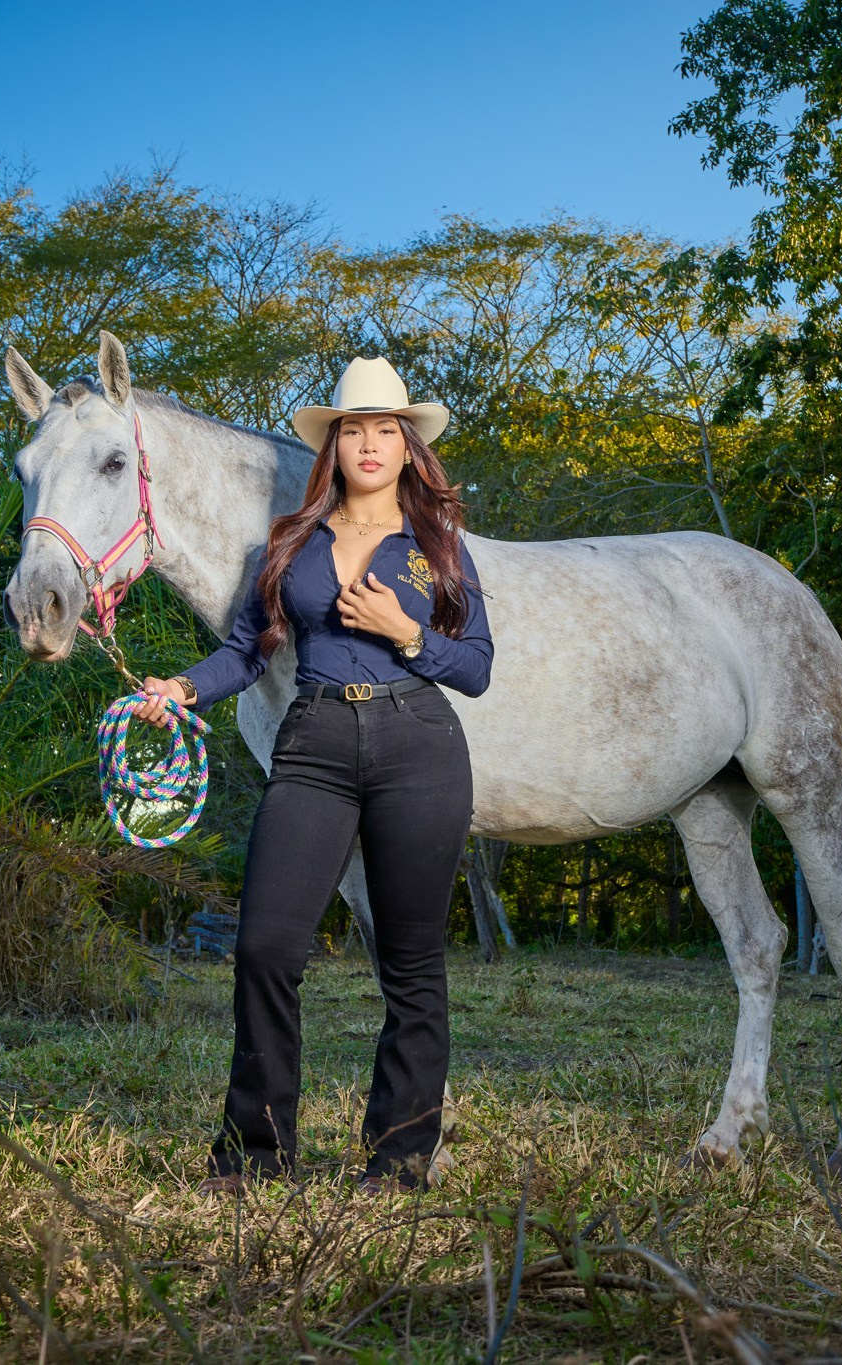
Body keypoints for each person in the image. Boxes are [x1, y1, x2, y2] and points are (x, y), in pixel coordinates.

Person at [130, 356, 493, 1196]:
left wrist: (408, 634)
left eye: (385, 429)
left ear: (408, 449)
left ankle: (399, 1158)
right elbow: (243, 652)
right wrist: (181, 689)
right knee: (265, 946)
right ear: (333, 446)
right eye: (353, 429)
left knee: (411, 963)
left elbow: (474, 667)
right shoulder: (288, 543)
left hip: (419, 744)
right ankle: (255, 1153)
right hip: (317, 740)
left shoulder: (438, 547)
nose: (369, 443)